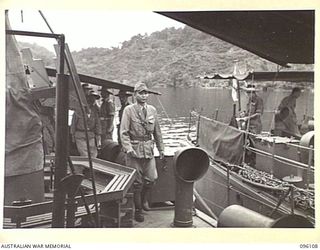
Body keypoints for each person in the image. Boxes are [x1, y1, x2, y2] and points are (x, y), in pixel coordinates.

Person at [120, 82, 164, 222]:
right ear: (135, 95)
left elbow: (157, 132)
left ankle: (144, 200)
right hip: (134, 150)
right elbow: (124, 132)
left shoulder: (152, 110)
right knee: (137, 183)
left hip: (148, 150)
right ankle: (138, 210)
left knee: (152, 178)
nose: (144, 95)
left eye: (146, 93)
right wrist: (128, 148)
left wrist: (161, 148)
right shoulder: (129, 110)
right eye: (140, 93)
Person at [70, 91, 101, 157]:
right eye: (91, 99)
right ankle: (86, 166)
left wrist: (98, 135)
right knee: (84, 154)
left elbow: (97, 123)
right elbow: (73, 123)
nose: (92, 101)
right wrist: (73, 135)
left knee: (93, 154)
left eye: (94, 99)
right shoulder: (78, 111)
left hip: (90, 135)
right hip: (80, 135)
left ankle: (91, 167)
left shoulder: (95, 111)